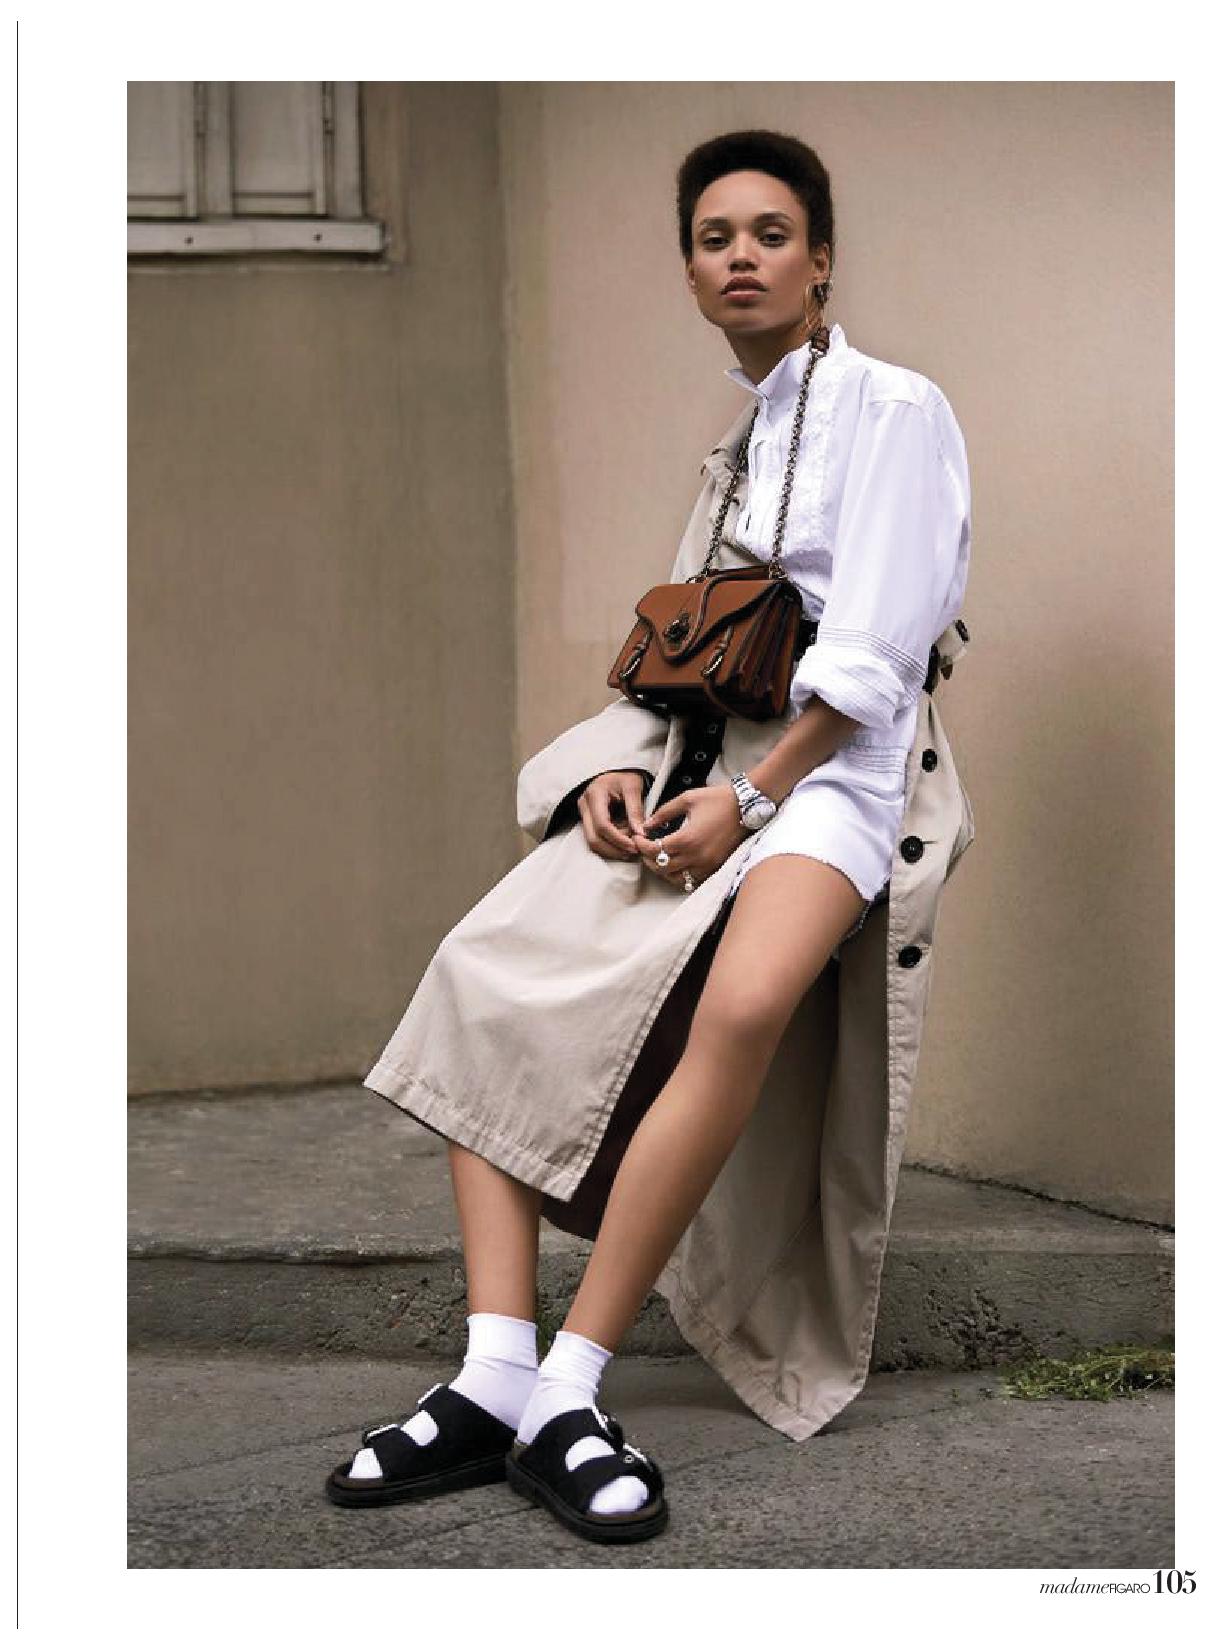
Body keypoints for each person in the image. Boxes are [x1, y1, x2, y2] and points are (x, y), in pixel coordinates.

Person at [325, 128, 973, 1546]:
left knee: (738, 1006)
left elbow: (874, 657)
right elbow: (681, 657)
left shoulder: (893, 409)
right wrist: (608, 776)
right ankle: (496, 1372)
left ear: (821, 261)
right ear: (689, 270)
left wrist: (756, 796)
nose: (741, 258)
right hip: (696, 766)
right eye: (713, 238)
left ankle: (573, 1386)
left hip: (837, 779)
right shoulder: (738, 449)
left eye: (771, 234)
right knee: (488, 967)